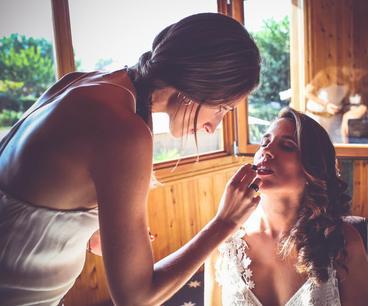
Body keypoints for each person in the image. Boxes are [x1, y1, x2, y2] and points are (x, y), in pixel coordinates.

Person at [0, 13, 262, 305]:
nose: (214, 126)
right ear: (200, 85)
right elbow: (136, 298)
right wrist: (224, 223)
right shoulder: (124, 132)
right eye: (223, 108)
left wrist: (84, 235)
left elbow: (27, 201)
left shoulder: (78, 84)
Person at [205, 107, 368, 306]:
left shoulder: (344, 243)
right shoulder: (222, 241)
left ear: (312, 169)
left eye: (287, 146)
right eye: (264, 142)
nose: (266, 151)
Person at [305, 66, 367, 143]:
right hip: (316, 118)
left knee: (339, 145)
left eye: (359, 74)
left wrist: (347, 116)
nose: (355, 76)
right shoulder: (326, 74)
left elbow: (350, 102)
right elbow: (307, 93)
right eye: (355, 72)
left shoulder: (350, 81)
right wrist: (326, 104)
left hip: (334, 119)